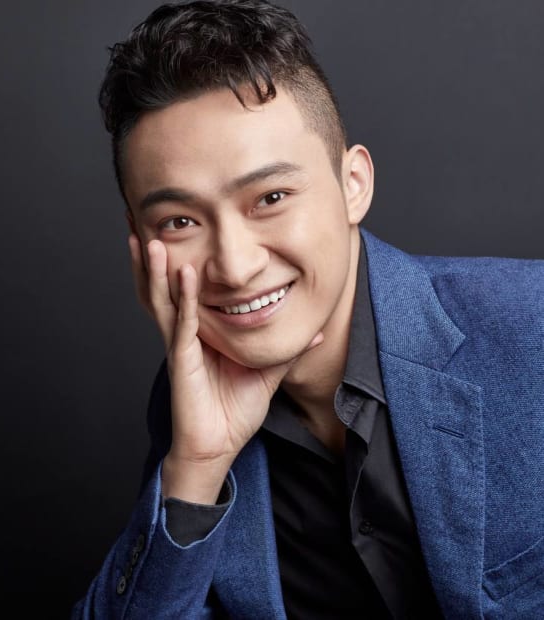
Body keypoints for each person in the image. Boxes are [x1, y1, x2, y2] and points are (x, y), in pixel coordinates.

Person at [72, 1, 544, 618]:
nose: (235, 266)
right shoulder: (188, 408)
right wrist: (197, 467)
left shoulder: (529, 325)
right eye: (180, 221)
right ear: (141, 246)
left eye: (270, 197)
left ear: (354, 185)